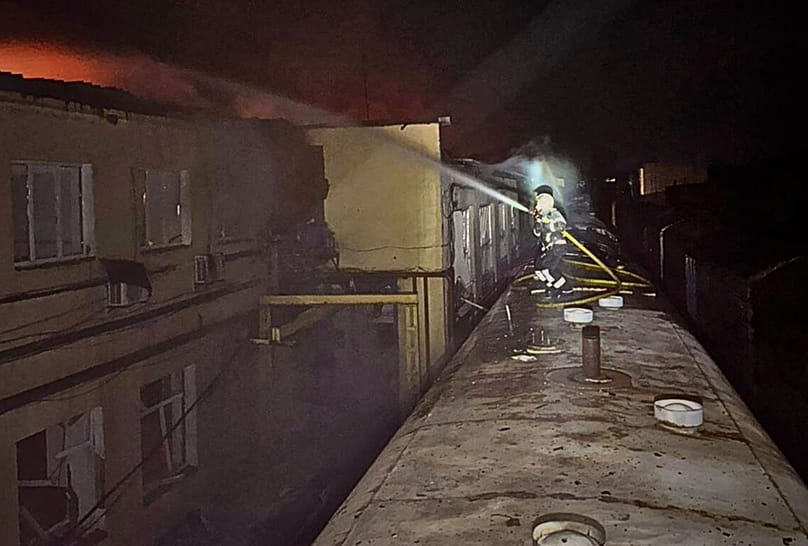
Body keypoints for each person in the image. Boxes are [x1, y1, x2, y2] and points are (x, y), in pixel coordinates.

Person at [531, 186, 570, 298]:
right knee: (539, 269)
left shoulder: (554, 214)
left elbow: (561, 225)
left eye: (538, 204)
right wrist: (538, 225)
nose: (536, 207)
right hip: (548, 247)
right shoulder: (542, 217)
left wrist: (547, 224)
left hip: (557, 247)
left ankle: (563, 288)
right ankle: (552, 285)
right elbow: (537, 234)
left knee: (548, 269)